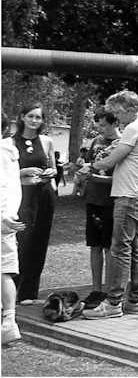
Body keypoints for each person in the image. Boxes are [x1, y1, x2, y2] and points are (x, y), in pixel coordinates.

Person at [84, 90, 138, 320]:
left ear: (130, 109)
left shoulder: (133, 128)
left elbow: (112, 160)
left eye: (117, 112)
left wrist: (91, 166)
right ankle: (135, 300)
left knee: (119, 248)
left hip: (129, 196)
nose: (116, 117)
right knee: (135, 248)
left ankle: (113, 302)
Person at [12, 102, 57, 306]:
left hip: (44, 195)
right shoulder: (10, 143)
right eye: (30, 116)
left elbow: (53, 168)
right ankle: (11, 289)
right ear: (22, 117)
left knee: (39, 242)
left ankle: (29, 292)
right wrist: (24, 172)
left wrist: (50, 173)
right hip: (22, 196)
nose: (34, 120)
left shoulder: (46, 141)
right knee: (21, 240)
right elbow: (5, 173)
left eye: (38, 117)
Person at [80, 108, 121, 310]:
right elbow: (90, 163)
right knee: (95, 245)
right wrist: (82, 168)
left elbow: (120, 177)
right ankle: (96, 289)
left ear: (115, 123)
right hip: (93, 200)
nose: (100, 128)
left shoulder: (122, 144)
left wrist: (94, 177)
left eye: (104, 125)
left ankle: (108, 290)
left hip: (110, 201)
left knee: (108, 247)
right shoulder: (97, 142)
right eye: (98, 124)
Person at [2, 112, 25, 344]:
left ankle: (9, 323)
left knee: (3, 270)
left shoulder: (1, 153)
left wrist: (3, 217)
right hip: (7, 218)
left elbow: (1, 188)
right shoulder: (7, 152)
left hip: (3, 221)